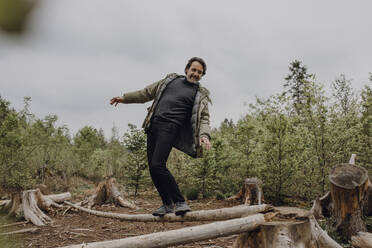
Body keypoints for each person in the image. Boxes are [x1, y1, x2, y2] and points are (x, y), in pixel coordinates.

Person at [110, 57, 211, 216]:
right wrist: (125, 98)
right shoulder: (169, 81)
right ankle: (167, 204)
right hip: (153, 125)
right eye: (194, 70)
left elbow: (204, 118)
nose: (196, 74)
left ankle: (180, 201)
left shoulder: (200, 94)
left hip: (170, 128)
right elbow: (146, 93)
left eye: (199, 72)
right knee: (153, 167)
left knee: (158, 164)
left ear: (202, 75)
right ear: (186, 69)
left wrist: (204, 135)